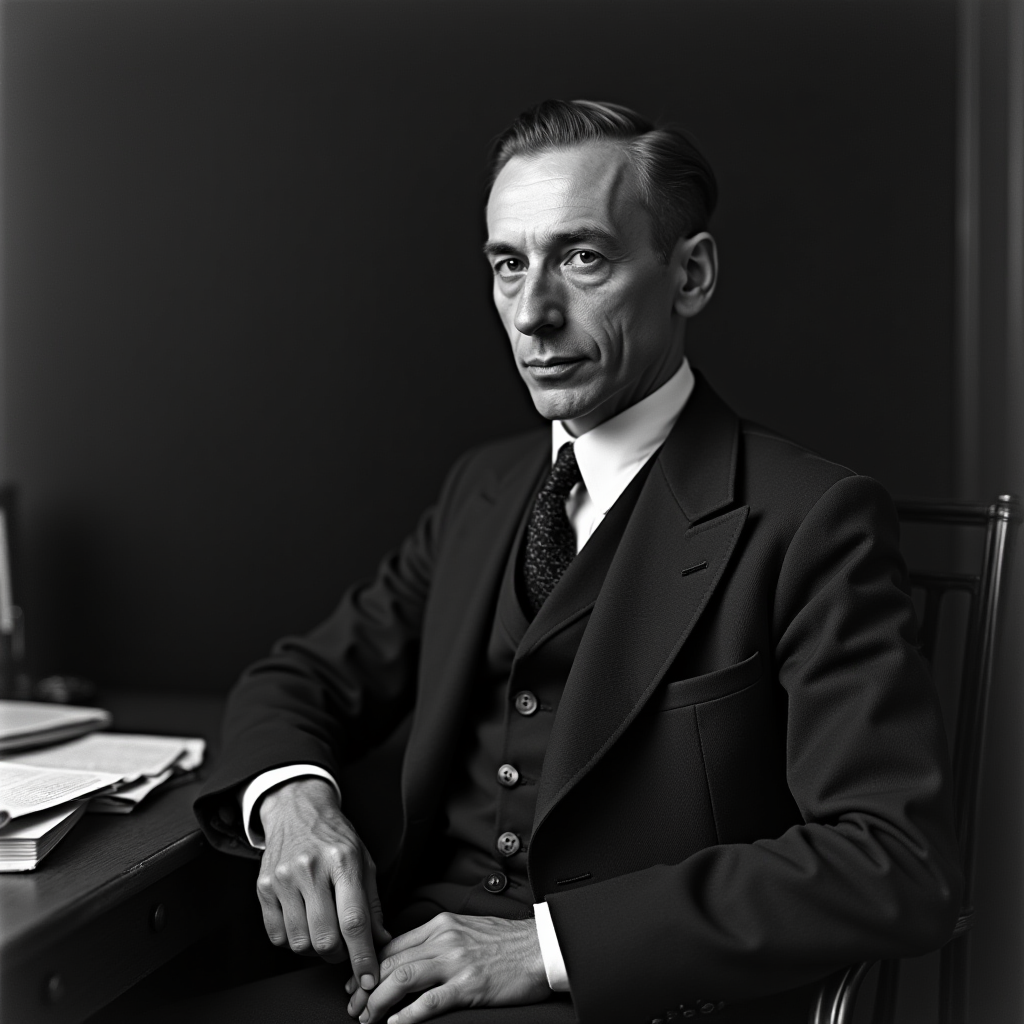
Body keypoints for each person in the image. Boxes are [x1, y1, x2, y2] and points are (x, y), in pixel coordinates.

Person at [195, 99, 962, 1024]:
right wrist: (293, 801)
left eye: (583, 258)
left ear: (692, 275)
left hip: (626, 1001)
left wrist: (547, 946)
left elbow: (894, 860)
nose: (532, 311)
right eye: (508, 264)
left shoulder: (811, 519)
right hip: (400, 975)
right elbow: (303, 676)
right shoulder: (484, 487)